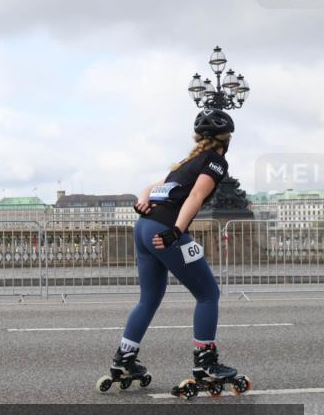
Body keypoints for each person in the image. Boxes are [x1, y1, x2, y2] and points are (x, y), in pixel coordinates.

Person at [101, 108, 245, 394]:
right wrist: (177, 232)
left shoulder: (185, 162)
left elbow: (152, 187)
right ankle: (205, 363)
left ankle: (124, 360)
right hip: (165, 230)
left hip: (143, 227)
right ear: (226, 139)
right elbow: (196, 195)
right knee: (208, 294)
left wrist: (141, 201)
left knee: (149, 298)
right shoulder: (215, 161)